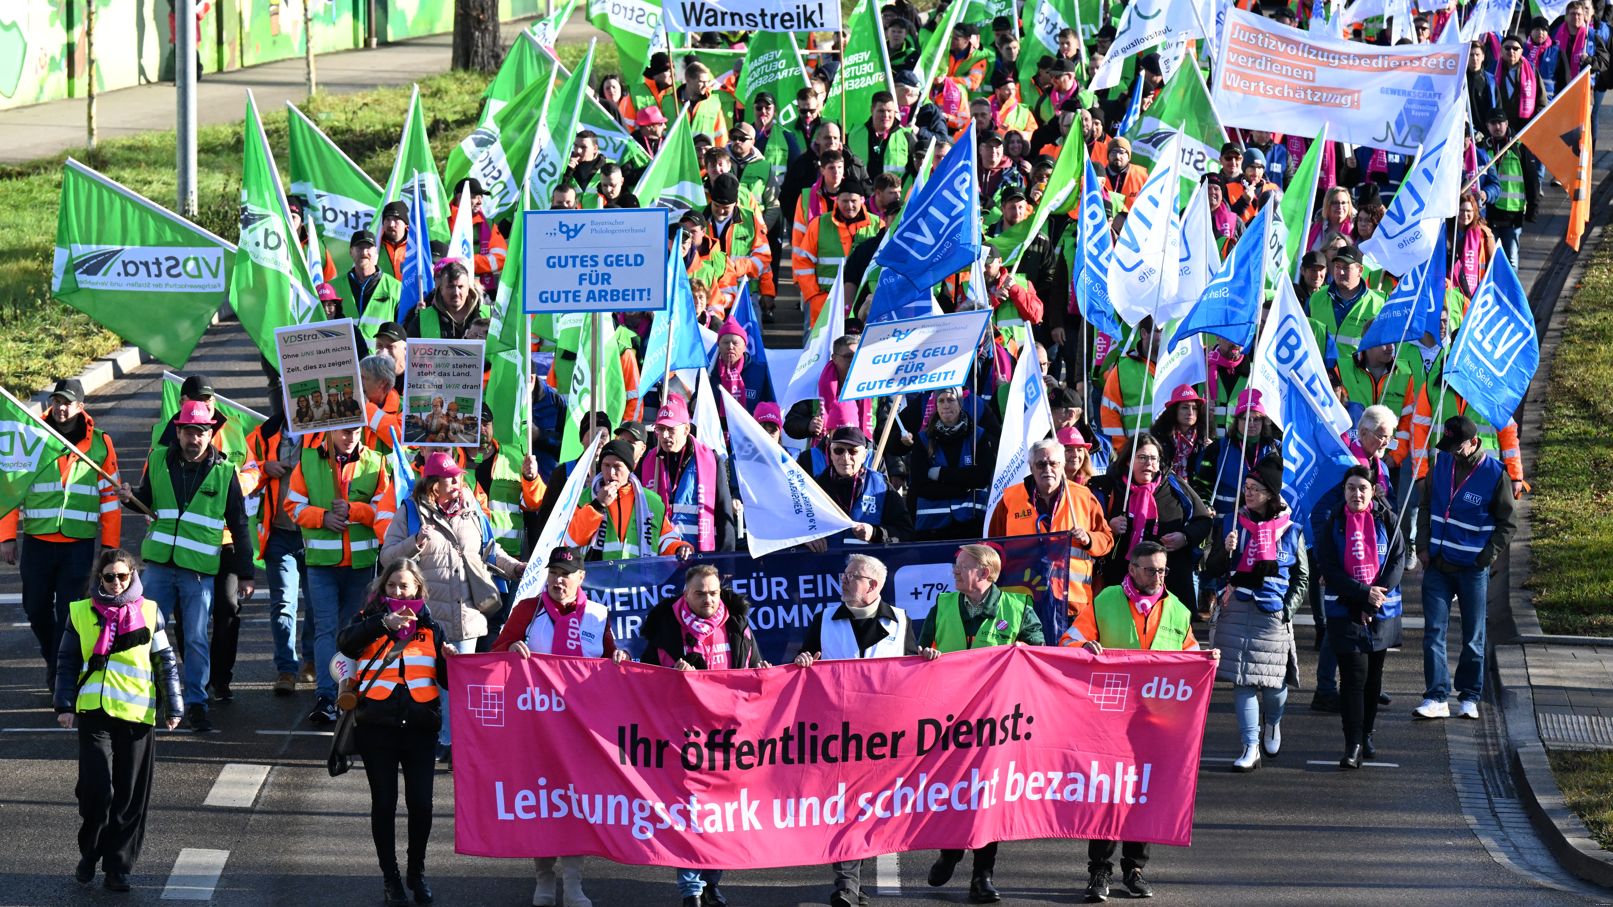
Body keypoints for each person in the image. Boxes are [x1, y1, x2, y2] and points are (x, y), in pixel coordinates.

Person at [1061, 542, 1206, 902]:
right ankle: (1099, 871)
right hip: (1109, 718)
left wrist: (1206, 658)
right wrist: (1083, 649)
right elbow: (1069, 640)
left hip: (1155, 719)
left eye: (1163, 570)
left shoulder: (1177, 610)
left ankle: (1134, 869)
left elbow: (1188, 658)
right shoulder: (1106, 600)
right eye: (1151, 570)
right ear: (1132, 570)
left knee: (1144, 795)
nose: (1158, 577)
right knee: (1107, 796)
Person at [492, 547, 625, 906]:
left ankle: (574, 882)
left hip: (581, 727)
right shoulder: (528, 609)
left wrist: (619, 656)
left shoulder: (597, 614)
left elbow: (611, 656)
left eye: (566, 573)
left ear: (581, 578)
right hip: (536, 722)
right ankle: (544, 878)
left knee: (574, 803)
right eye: (553, 573)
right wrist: (511, 647)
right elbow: (498, 650)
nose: (558, 580)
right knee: (542, 801)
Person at [917, 544, 1043, 903]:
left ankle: (982, 876)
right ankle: (950, 851)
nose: (954, 572)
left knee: (988, 797)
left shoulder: (1017, 609)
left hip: (997, 722)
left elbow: (1037, 654)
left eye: (961, 567)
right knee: (952, 790)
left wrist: (1020, 653)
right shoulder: (942, 605)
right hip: (949, 721)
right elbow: (920, 650)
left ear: (984, 573)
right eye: (956, 567)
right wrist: (926, 655)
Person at [120, 400, 253, 734]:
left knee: (194, 639)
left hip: (198, 571)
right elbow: (147, 501)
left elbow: (238, 524)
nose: (194, 439)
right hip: (159, 567)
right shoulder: (157, 460)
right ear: (177, 433)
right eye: (188, 432)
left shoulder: (225, 473)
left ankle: (196, 704)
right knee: (145, 633)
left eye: (200, 433)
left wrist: (246, 572)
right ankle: (149, 697)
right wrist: (128, 497)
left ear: (210, 435)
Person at [380, 451, 523, 761]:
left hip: (467, 614)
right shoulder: (410, 513)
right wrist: (415, 542)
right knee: (431, 682)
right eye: (451, 478)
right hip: (429, 617)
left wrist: (515, 568)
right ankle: (438, 738)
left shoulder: (472, 510)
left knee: (459, 684)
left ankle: (455, 742)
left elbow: (490, 551)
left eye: (459, 476)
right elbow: (387, 557)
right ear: (433, 485)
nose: (459, 482)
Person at [55, 548, 182, 893]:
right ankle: (91, 850)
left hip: (137, 714)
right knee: (97, 791)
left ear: (133, 576)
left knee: (129, 796)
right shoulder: (80, 612)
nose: (115, 583)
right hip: (93, 712)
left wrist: (174, 706)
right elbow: (66, 660)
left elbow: (164, 662)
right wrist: (64, 705)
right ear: (99, 578)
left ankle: (118, 868)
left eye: (122, 576)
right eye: (109, 577)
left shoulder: (151, 611)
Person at [794, 553, 916, 906]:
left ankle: (856, 881)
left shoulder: (902, 622)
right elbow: (805, 666)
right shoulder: (825, 619)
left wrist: (927, 659)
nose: (844, 580)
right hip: (839, 736)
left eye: (852, 576)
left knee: (874, 809)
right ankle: (846, 885)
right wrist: (804, 662)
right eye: (845, 574)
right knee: (845, 808)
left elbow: (914, 675)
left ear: (873, 585)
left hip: (885, 738)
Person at [639, 565, 764, 907]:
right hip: (684, 737)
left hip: (728, 737)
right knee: (690, 813)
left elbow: (754, 669)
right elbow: (644, 679)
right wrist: (670, 676)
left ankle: (711, 883)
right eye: (699, 593)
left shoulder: (737, 624)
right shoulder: (665, 627)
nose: (708, 599)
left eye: (713, 592)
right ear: (686, 594)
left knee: (723, 815)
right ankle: (690, 889)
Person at [337, 558, 447, 907]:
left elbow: (444, 680)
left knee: (422, 805)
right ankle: (391, 879)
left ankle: (417, 873)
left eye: (405, 586)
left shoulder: (431, 626)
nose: (398, 592)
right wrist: (382, 624)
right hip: (377, 727)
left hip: (420, 727)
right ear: (382, 589)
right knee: (384, 803)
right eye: (392, 586)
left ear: (417, 588)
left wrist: (449, 658)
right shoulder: (368, 620)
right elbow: (345, 644)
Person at [1, 378, 122, 694]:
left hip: (78, 545)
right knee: (34, 608)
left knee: (70, 613)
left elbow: (109, 499)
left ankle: (60, 674)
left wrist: (109, 547)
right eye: (57, 400)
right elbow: (12, 485)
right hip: (38, 543)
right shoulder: (32, 437)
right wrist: (7, 536)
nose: (61, 407)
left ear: (81, 407)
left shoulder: (101, 443)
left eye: (68, 402)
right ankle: (54, 658)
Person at [1203, 457, 1307, 772]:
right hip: (1237, 610)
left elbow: (1302, 577)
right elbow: (1212, 568)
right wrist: (1223, 549)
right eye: (1246, 488)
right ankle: (1250, 745)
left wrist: (1288, 608)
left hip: (1272, 614)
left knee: (1275, 685)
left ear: (1270, 493)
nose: (1248, 494)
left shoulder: (1291, 530)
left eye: (1255, 489)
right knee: (1242, 682)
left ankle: (1273, 721)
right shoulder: (1233, 523)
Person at [286, 425, 395, 724]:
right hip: (321, 563)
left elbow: (384, 510)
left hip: (360, 565)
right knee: (325, 628)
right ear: (331, 431)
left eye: (356, 431)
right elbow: (293, 506)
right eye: (344, 432)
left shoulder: (377, 462)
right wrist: (323, 517)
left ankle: (349, 690)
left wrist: (353, 510)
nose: (350, 437)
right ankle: (325, 694)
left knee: (352, 630)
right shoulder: (308, 461)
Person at [1414, 416, 1517, 720]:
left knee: (1473, 634)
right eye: (1448, 447)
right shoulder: (1442, 463)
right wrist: (1422, 546)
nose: (1451, 453)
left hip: (1472, 569)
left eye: (1456, 447)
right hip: (1437, 565)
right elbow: (1426, 505)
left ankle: (1469, 696)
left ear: (1474, 443)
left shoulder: (1495, 475)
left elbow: (1507, 523)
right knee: (1433, 631)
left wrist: (1485, 557)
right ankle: (1436, 696)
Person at [1314, 466, 1406, 768]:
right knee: (1353, 679)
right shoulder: (1333, 522)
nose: (1357, 493)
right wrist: (1360, 595)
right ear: (1344, 491)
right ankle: (1351, 743)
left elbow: (1396, 560)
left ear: (1373, 491)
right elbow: (1328, 566)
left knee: (1373, 680)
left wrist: (1373, 599)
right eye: (1351, 488)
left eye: (1362, 488)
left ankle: (1367, 733)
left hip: (1381, 611)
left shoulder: (1387, 519)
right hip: (1345, 610)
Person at [987, 438, 1113, 629]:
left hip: (1071, 603)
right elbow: (992, 549)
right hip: (1021, 602)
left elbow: (1107, 540)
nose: (1048, 469)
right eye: (1041, 464)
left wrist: (1088, 539)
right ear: (1030, 466)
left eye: (1054, 463)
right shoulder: (1009, 500)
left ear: (1063, 465)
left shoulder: (1083, 497)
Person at [1091, 433, 1212, 612]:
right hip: (1120, 584)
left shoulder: (1173, 485)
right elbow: (1089, 528)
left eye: (1154, 458)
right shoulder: (1108, 486)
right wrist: (1110, 527)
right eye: (1142, 457)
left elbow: (1203, 521)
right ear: (1127, 461)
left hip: (1170, 585)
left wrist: (1185, 537)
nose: (1149, 463)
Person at [566, 440, 694, 560]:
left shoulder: (652, 501)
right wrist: (598, 505)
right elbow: (570, 540)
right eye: (606, 465)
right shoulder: (584, 497)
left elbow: (664, 539)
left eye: (617, 466)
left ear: (629, 469)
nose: (611, 472)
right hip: (594, 579)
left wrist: (679, 547)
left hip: (637, 579)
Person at [638, 395, 734, 553]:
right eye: (660, 429)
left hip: (700, 557)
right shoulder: (648, 461)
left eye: (671, 429)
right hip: (659, 555)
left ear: (686, 429)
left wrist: (728, 560)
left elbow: (724, 511)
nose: (665, 436)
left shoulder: (711, 460)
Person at [911, 387, 996, 541]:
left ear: (960, 403)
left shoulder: (978, 436)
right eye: (941, 400)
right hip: (931, 529)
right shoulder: (923, 439)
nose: (945, 405)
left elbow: (982, 476)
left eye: (951, 399)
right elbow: (920, 485)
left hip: (972, 525)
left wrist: (941, 474)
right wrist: (963, 488)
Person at [808, 426, 913, 550]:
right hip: (825, 565)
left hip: (865, 565)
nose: (845, 457)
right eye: (839, 450)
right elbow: (792, 526)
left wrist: (875, 533)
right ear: (830, 454)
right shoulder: (813, 487)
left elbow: (906, 533)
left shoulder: (881, 488)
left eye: (853, 451)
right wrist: (806, 539)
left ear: (864, 456)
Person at [337, 230, 403, 341]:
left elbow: (402, 327)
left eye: (368, 248)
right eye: (359, 248)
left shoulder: (396, 288)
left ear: (376, 252)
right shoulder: (334, 287)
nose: (364, 252)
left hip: (381, 356)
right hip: (345, 356)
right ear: (350, 252)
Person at [403, 259, 489, 340]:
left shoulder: (490, 315)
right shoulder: (421, 320)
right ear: (441, 289)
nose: (456, 292)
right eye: (451, 287)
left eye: (460, 287)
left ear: (468, 288)